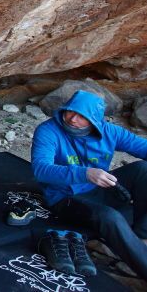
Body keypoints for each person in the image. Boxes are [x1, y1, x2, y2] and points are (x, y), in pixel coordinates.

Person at [31, 89, 147, 278]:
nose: (72, 119)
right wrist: (85, 173)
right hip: (66, 197)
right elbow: (41, 169)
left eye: (81, 116)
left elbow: (143, 147)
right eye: (70, 111)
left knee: (144, 169)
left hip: (100, 188)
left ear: (95, 120)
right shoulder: (48, 130)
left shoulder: (110, 131)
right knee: (110, 217)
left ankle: (141, 237)